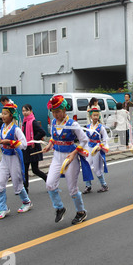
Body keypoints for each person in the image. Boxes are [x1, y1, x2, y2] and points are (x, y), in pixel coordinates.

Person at [42, 95, 90, 225]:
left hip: (70, 158)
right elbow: (53, 137)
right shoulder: (53, 123)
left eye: (58, 111)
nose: (56, 114)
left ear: (64, 110)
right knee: (50, 184)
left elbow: (84, 139)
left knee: (72, 188)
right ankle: (59, 208)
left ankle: (81, 212)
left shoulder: (72, 124)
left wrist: (75, 152)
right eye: (53, 112)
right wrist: (49, 145)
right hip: (57, 156)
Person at [0, 102, 32, 219]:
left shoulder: (16, 129)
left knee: (17, 182)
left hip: (15, 157)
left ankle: (26, 202)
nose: (3, 116)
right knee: (0, 183)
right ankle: (3, 208)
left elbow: (24, 144)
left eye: (5, 114)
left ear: (11, 116)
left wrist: (10, 142)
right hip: (5, 158)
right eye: (2, 114)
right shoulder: (2, 128)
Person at [21, 104, 47, 194]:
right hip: (26, 148)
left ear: (31, 111)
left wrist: (33, 140)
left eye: (26, 111)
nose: (24, 112)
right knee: (24, 169)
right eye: (23, 111)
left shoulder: (33, 122)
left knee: (35, 170)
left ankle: (48, 180)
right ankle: (25, 189)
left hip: (33, 148)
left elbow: (42, 132)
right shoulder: (24, 122)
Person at [83, 107, 109, 193]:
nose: (95, 117)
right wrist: (84, 149)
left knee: (97, 169)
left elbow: (105, 139)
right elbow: (86, 139)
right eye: (94, 115)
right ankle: (88, 186)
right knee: (86, 165)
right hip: (89, 148)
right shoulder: (88, 126)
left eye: (97, 115)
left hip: (97, 149)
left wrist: (100, 146)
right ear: (91, 116)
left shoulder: (101, 127)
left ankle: (104, 185)